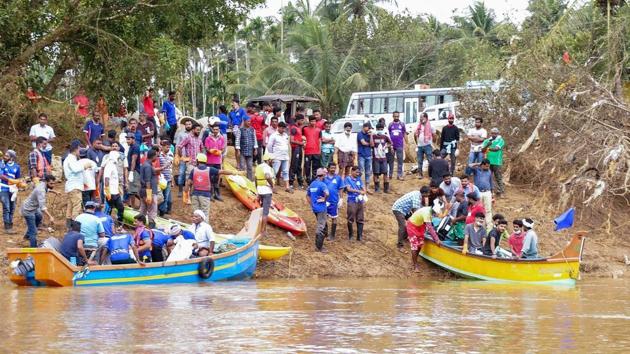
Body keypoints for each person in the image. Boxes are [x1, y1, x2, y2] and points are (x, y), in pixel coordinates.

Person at [187, 153, 240, 220]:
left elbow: (188, 183)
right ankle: (204, 228)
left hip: (195, 195)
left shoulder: (194, 170)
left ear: (197, 160)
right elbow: (222, 171)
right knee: (205, 214)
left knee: (195, 214)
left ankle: (196, 228)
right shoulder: (210, 169)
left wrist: (186, 192)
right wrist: (234, 172)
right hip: (205, 195)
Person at [21, 175, 56, 247]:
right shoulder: (41, 190)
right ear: (46, 182)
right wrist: (50, 217)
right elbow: (43, 207)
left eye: (53, 183)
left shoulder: (43, 184)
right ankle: (34, 248)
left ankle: (27, 235)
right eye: (51, 184)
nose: (53, 185)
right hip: (28, 210)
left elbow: (47, 189)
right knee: (33, 231)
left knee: (39, 216)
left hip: (34, 207)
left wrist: (54, 191)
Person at [406, 203, 442, 272]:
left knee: (420, 244)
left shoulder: (430, 211)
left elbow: (430, 224)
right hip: (412, 226)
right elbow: (430, 227)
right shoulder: (426, 212)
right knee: (414, 246)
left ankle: (415, 259)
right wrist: (436, 239)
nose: (435, 214)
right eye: (435, 213)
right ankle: (415, 266)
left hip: (420, 226)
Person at [63, 140, 88, 228]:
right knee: (77, 206)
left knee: (70, 206)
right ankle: (74, 226)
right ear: (76, 149)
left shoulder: (71, 159)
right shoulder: (71, 159)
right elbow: (75, 169)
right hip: (74, 186)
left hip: (72, 185)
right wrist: (84, 166)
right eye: (80, 149)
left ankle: (69, 225)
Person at [306, 168, 329, 251]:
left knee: (323, 222)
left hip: (315, 208)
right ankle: (319, 247)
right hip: (321, 208)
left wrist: (312, 204)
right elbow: (327, 193)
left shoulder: (312, 184)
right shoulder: (322, 184)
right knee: (321, 225)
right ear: (323, 175)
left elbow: (307, 195)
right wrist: (324, 199)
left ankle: (325, 235)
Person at [0, 150, 20, 234]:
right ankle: (7, 227)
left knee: (12, 208)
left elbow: (18, 178)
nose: (5, 157)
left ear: (12, 158)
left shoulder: (17, 166)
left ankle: (10, 225)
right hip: (3, 188)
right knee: (6, 208)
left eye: (7, 156)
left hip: (13, 189)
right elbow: (1, 175)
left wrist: (19, 183)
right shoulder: (2, 164)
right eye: (5, 155)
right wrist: (10, 180)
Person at [204, 124, 226, 200]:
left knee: (216, 178)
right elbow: (206, 148)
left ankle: (217, 194)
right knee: (209, 177)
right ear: (212, 130)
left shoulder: (222, 138)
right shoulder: (208, 138)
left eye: (217, 129)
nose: (216, 131)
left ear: (219, 130)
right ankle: (210, 194)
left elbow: (223, 149)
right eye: (214, 129)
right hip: (209, 160)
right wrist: (210, 150)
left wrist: (220, 152)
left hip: (217, 161)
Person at [323, 162, 344, 241]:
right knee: (324, 217)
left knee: (334, 218)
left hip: (334, 201)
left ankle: (332, 235)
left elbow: (341, 188)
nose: (333, 170)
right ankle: (325, 233)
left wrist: (341, 199)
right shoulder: (324, 178)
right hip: (325, 201)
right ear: (328, 168)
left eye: (334, 168)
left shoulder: (338, 178)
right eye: (332, 168)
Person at [267, 122, 291, 192]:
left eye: (284, 128)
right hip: (277, 156)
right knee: (274, 171)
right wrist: (271, 156)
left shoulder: (285, 135)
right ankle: (272, 186)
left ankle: (287, 187)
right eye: (282, 128)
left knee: (286, 171)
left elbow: (286, 145)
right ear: (279, 127)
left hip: (285, 156)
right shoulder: (273, 135)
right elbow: (269, 146)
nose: (283, 130)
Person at [482, 127, 505, 197]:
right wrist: (487, 145)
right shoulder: (487, 141)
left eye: (495, 133)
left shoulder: (500, 140)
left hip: (497, 161)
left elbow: (496, 149)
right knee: (488, 176)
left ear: (498, 133)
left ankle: (501, 192)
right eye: (492, 133)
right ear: (490, 133)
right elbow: (482, 150)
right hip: (488, 162)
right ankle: (491, 191)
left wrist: (488, 147)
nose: (494, 134)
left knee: (498, 177)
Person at [345, 166, 367, 241]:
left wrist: (364, 191)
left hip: (360, 200)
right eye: (356, 172)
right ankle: (351, 235)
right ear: (352, 171)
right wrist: (358, 191)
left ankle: (359, 236)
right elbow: (348, 189)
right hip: (352, 200)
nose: (357, 174)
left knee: (360, 217)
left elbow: (363, 187)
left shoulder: (359, 179)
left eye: (358, 172)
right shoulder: (348, 179)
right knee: (350, 217)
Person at [255, 154, 275, 235]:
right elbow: (267, 176)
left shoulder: (258, 167)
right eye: (271, 160)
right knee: (265, 212)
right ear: (268, 160)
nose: (272, 162)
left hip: (260, 190)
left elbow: (256, 180)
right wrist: (272, 186)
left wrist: (257, 191)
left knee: (262, 209)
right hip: (267, 191)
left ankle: (261, 228)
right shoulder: (267, 167)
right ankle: (263, 231)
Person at [470, 158, 493, 227]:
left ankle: (488, 224)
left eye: (488, 166)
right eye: (486, 166)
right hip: (478, 192)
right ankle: (479, 224)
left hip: (487, 192)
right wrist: (478, 164)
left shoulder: (489, 171)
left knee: (488, 209)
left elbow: (491, 181)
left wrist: (492, 192)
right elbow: (469, 166)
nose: (488, 167)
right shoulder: (476, 170)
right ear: (482, 165)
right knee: (479, 208)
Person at [103, 150, 124, 224]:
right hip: (110, 192)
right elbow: (106, 179)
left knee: (121, 207)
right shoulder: (109, 165)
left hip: (116, 191)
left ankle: (119, 223)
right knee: (109, 209)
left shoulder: (113, 165)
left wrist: (118, 188)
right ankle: (106, 224)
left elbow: (114, 179)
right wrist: (107, 191)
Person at [139, 149, 158, 226]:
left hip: (144, 191)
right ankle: (151, 229)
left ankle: (139, 227)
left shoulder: (145, 164)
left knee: (143, 211)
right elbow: (148, 181)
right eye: (156, 155)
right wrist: (149, 195)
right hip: (149, 192)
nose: (157, 157)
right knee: (152, 212)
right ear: (153, 156)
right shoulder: (147, 166)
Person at [414, 113, 435, 179]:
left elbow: (434, 135)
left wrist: (431, 142)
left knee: (430, 160)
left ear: (426, 118)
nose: (421, 119)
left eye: (422, 117)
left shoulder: (431, 126)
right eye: (420, 117)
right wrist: (417, 143)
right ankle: (420, 174)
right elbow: (415, 135)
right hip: (420, 146)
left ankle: (431, 175)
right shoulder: (419, 126)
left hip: (428, 145)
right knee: (419, 161)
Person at [372, 122, 391, 193]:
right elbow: (371, 144)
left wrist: (386, 146)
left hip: (383, 158)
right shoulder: (373, 136)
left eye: (381, 129)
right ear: (376, 129)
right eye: (379, 129)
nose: (380, 130)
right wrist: (371, 136)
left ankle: (386, 188)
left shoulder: (385, 137)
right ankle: (377, 188)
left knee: (385, 173)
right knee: (376, 174)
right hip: (376, 158)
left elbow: (390, 143)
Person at [303, 116, 322, 183]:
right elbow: (303, 138)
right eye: (311, 121)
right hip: (307, 151)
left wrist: (319, 151)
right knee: (307, 167)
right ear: (309, 121)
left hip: (316, 152)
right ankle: (308, 181)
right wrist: (304, 145)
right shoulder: (305, 129)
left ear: (316, 122)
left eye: (314, 121)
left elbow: (320, 141)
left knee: (315, 168)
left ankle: (314, 181)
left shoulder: (319, 130)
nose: (313, 122)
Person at [387, 111, 406, 180]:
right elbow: (388, 134)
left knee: (400, 160)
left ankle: (399, 175)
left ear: (399, 116)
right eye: (395, 116)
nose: (396, 117)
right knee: (391, 161)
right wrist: (389, 144)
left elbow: (404, 133)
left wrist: (406, 143)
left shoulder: (402, 124)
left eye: (397, 116)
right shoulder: (390, 125)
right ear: (393, 116)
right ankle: (390, 174)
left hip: (399, 145)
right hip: (391, 145)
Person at [288, 114, 305, 189]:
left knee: (299, 166)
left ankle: (300, 183)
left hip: (299, 148)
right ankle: (291, 183)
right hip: (296, 148)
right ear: (297, 120)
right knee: (294, 165)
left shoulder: (299, 128)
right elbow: (291, 140)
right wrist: (300, 143)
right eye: (301, 120)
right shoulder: (294, 128)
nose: (302, 121)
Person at [158, 140, 174, 215]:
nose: (168, 149)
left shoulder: (169, 156)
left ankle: (162, 212)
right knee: (160, 196)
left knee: (166, 197)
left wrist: (172, 180)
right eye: (167, 147)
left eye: (169, 147)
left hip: (168, 179)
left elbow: (171, 169)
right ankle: (158, 210)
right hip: (161, 179)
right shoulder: (159, 156)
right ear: (163, 147)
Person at [125, 133, 142, 208]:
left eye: (129, 139)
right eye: (126, 139)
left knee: (133, 190)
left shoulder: (135, 147)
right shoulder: (132, 146)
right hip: (132, 170)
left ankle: (135, 206)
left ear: (133, 139)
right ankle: (135, 205)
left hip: (134, 170)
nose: (127, 141)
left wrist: (131, 172)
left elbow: (133, 160)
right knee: (132, 190)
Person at [229, 98, 247, 164]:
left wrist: (241, 127)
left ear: (237, 103)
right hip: (234, 130)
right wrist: (231, 128)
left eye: (233, 103)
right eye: (232, 103)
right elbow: (230, 122)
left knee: (242, 148)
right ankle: (238, 163)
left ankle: (243, 163)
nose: (232, 104)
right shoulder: (231, 112)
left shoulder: (242, 110)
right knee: (236, 148)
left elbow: (244, 119)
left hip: (241, 131)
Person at [356, 122, 373, 187]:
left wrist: (371, 136)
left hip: (368, 154)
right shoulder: (360, 134)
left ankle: (367, 186)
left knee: (368, 172)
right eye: (368, 128)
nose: (369, 129)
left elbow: (372, 144)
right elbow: (363, 143)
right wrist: (369, 144)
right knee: (361, 171)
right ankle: (359, 185)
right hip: (361, 155)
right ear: (364, 127)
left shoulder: (369, 135)